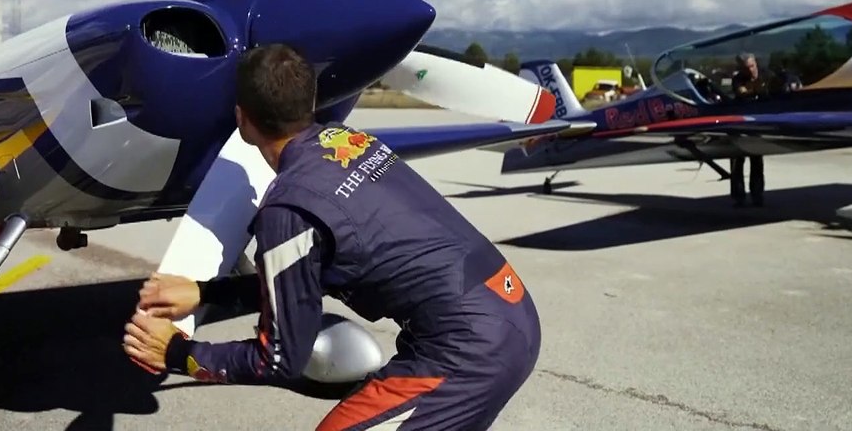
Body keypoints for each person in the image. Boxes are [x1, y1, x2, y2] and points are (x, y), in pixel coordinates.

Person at [122, 44, 542, 430]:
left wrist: (177, 353)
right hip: (511, 309)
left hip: (467, 352)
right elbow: (306, 279)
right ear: (309, 102)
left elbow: (281, 360)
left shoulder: (287, 211)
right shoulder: (351, 143)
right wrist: (205, 293)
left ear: (241, 118)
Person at [728, 52, 765, 207]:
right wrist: (758, 89)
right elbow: (741, 92)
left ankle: (757, 195)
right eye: (747, 67)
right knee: (737, 162)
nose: (750, 70)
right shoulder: (738, 79)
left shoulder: (765, 75)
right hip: (740, 122)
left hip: (757, 124)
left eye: (752, 66)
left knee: (757, 161)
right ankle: (738, 196)